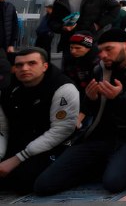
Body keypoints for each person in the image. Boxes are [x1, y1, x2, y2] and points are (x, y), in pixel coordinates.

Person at [33, 29, 126, 195]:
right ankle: (107, 164)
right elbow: (95, 110)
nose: (103, 55)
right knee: (44, 185)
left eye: (109, 49)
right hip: (100, 136)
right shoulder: (100, 70)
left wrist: (120, 96)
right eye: (100, 50)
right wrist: (92, 99)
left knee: (113, 183)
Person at [0, 48, 79, 193]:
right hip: (22, 140)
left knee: (29, 182)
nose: (24, 68)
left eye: (32, 63)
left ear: (45, 66)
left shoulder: (63, 88)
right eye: (19, 65)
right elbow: (3, 128)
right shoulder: (8, 89)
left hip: (55, 145)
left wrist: (17, 159)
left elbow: (62, 131)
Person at [49, 0, 120, 53]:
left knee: (92, 63)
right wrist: (62, 27)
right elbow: (52, 22)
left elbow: (116, 7)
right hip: (70, 42)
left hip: (92, 40)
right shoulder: (59, 2)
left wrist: (99, 24)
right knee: (69, 64)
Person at [62, 31, 99, 128]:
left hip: (91, 103)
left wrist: (80, 116)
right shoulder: (69, 59)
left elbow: (93, 93)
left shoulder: (97, 64)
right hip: (73, 98)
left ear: (88, 48)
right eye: (71, 48)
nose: (73, 51)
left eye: (78, 48)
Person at [0, 0, 18, 88]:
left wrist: (11, 44)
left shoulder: (10, 7)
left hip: (5, 46)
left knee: (6, 70)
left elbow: (15, 26)